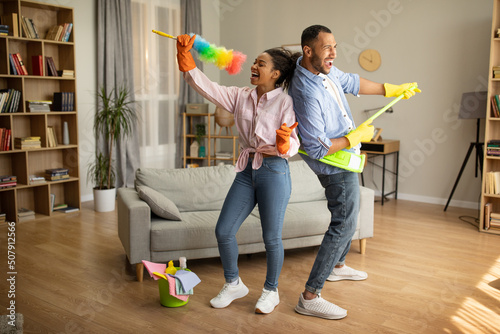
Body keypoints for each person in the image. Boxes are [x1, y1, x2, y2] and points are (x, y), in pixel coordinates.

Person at [288, 25, 420, 320]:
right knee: (344, 224)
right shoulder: (305, 91)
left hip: (345, 157)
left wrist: (391, 89)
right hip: (333, 165)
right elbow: (317, 147)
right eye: (327, 48)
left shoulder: (323, 70)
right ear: (308, 51)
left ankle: (338, 266)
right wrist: (355, 137)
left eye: (335, 46)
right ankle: (310, 296)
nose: (334, 53)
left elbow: (352, 82)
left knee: (350, 214)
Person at [176, 34, 301, 314]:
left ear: (276, 73)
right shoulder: (240, 96)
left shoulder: (285, 102)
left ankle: (271, 291)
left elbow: (294, 143)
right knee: (223, 230)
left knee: (271, 237)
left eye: (261, 63)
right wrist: (186, 58)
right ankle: (233, 284)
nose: (253, 66)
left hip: (274, 171)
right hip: (246, 170)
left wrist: (284, 144)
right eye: (254, 62)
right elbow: (206, 87)